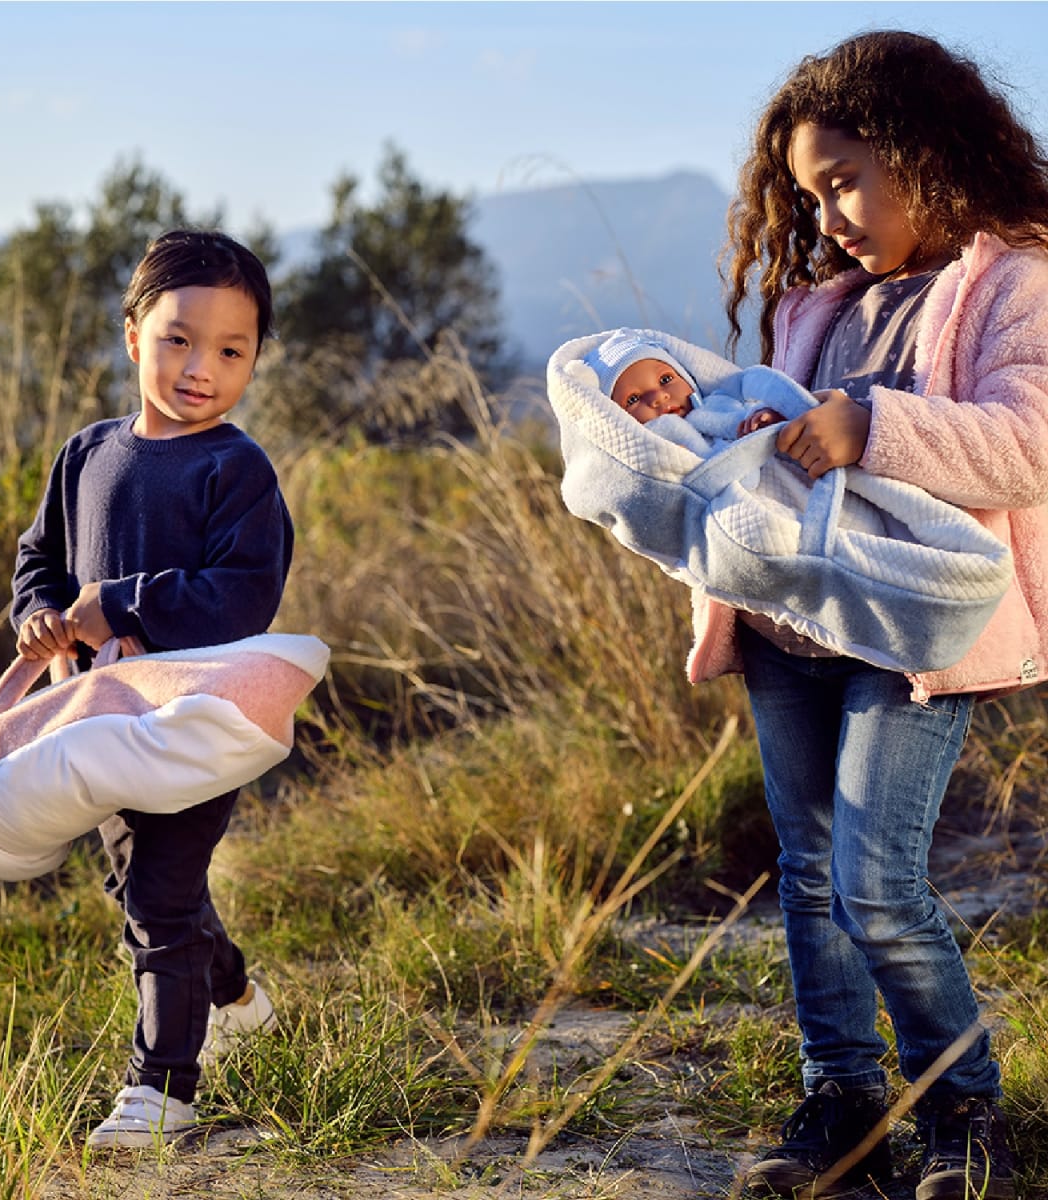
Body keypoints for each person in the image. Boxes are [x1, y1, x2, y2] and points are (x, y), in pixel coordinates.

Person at [692, 30, 1048, 1200]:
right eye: (810, 193)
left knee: (875, 879)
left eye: (845, 179)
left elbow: (1028, 445)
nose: (830, 214)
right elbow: (776, 451)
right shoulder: (817, 308)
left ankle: (965, 1114)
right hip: (792, 630)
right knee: (806, 877)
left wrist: (870, 427)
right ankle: (841, 1112)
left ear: (923, 148)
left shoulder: (1015, 281)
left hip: (909, 637)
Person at [10, 229, 295, 1148]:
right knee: (137, 880)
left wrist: (116, 604)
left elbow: (243, 594)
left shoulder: (237, 470)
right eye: (177, 338)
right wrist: (42, 615)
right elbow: (40, 559)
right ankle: (236, 994)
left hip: (198, 721)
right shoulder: (87, 454)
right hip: (96, 719)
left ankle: (166, 1085)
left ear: (254, 358)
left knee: (156, 899)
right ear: (133, 334)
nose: (200, 367)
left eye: (230, 349)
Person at [584, 328, 785, 437]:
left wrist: (763, 420)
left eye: (665, 379)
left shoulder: (719, 405)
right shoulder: (645, 455)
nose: (658, 396)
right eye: (633, 399)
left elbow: (741, 420)